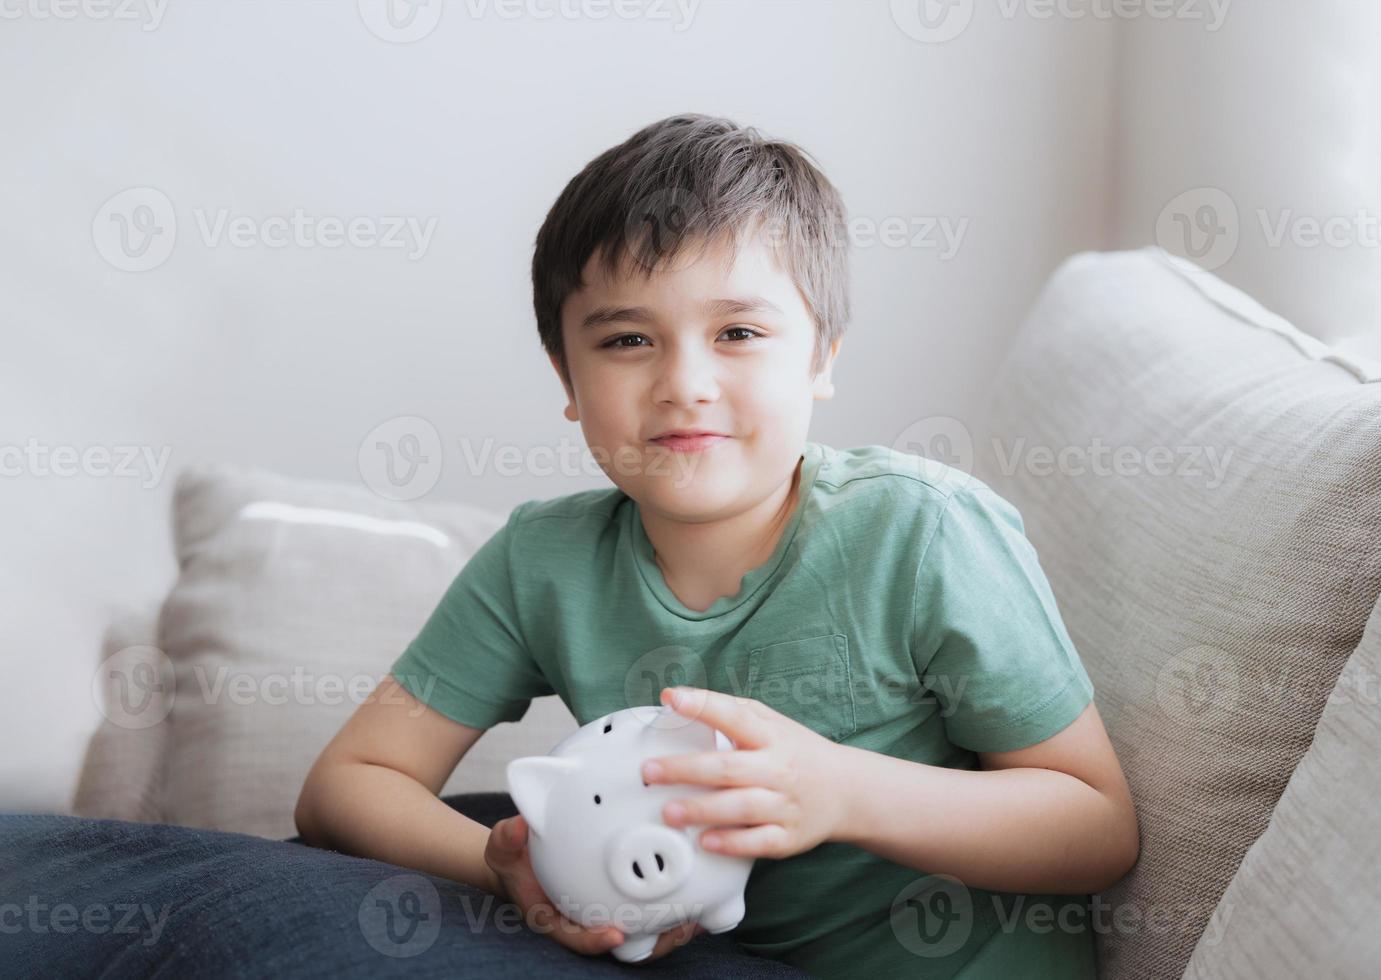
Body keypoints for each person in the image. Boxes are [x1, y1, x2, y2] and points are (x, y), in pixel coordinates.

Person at [295, 112, 1139, 978]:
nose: (684, 385)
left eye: (737, 333)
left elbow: (1093, 826)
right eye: (627, 341)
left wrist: (843, 792)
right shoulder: (539, 563)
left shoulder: (920, 532)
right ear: (567, 380)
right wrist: (506, 871)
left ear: (820, 357)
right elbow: (348, 781)